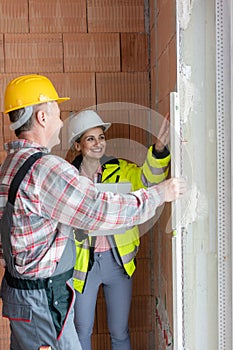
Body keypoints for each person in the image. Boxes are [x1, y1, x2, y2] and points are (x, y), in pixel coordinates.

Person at [0, 74, 186, 350]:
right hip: (44, 299)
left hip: (22, 297)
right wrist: (161, 194)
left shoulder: (10, 165)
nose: (60, 122)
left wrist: (159, 154)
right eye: (57, 113)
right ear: (41, 117)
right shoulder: (49, 170)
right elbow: (99, 211)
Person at [68, 109, 171, 350]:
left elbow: (148, 182)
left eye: (101, 137)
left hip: (118, 264)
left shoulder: (121, 169)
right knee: (82, 330)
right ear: (77, 145)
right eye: (90, 138)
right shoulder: (69, 177)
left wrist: (158, 152)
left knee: (120, 331)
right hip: (84, 266)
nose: (97, 143)